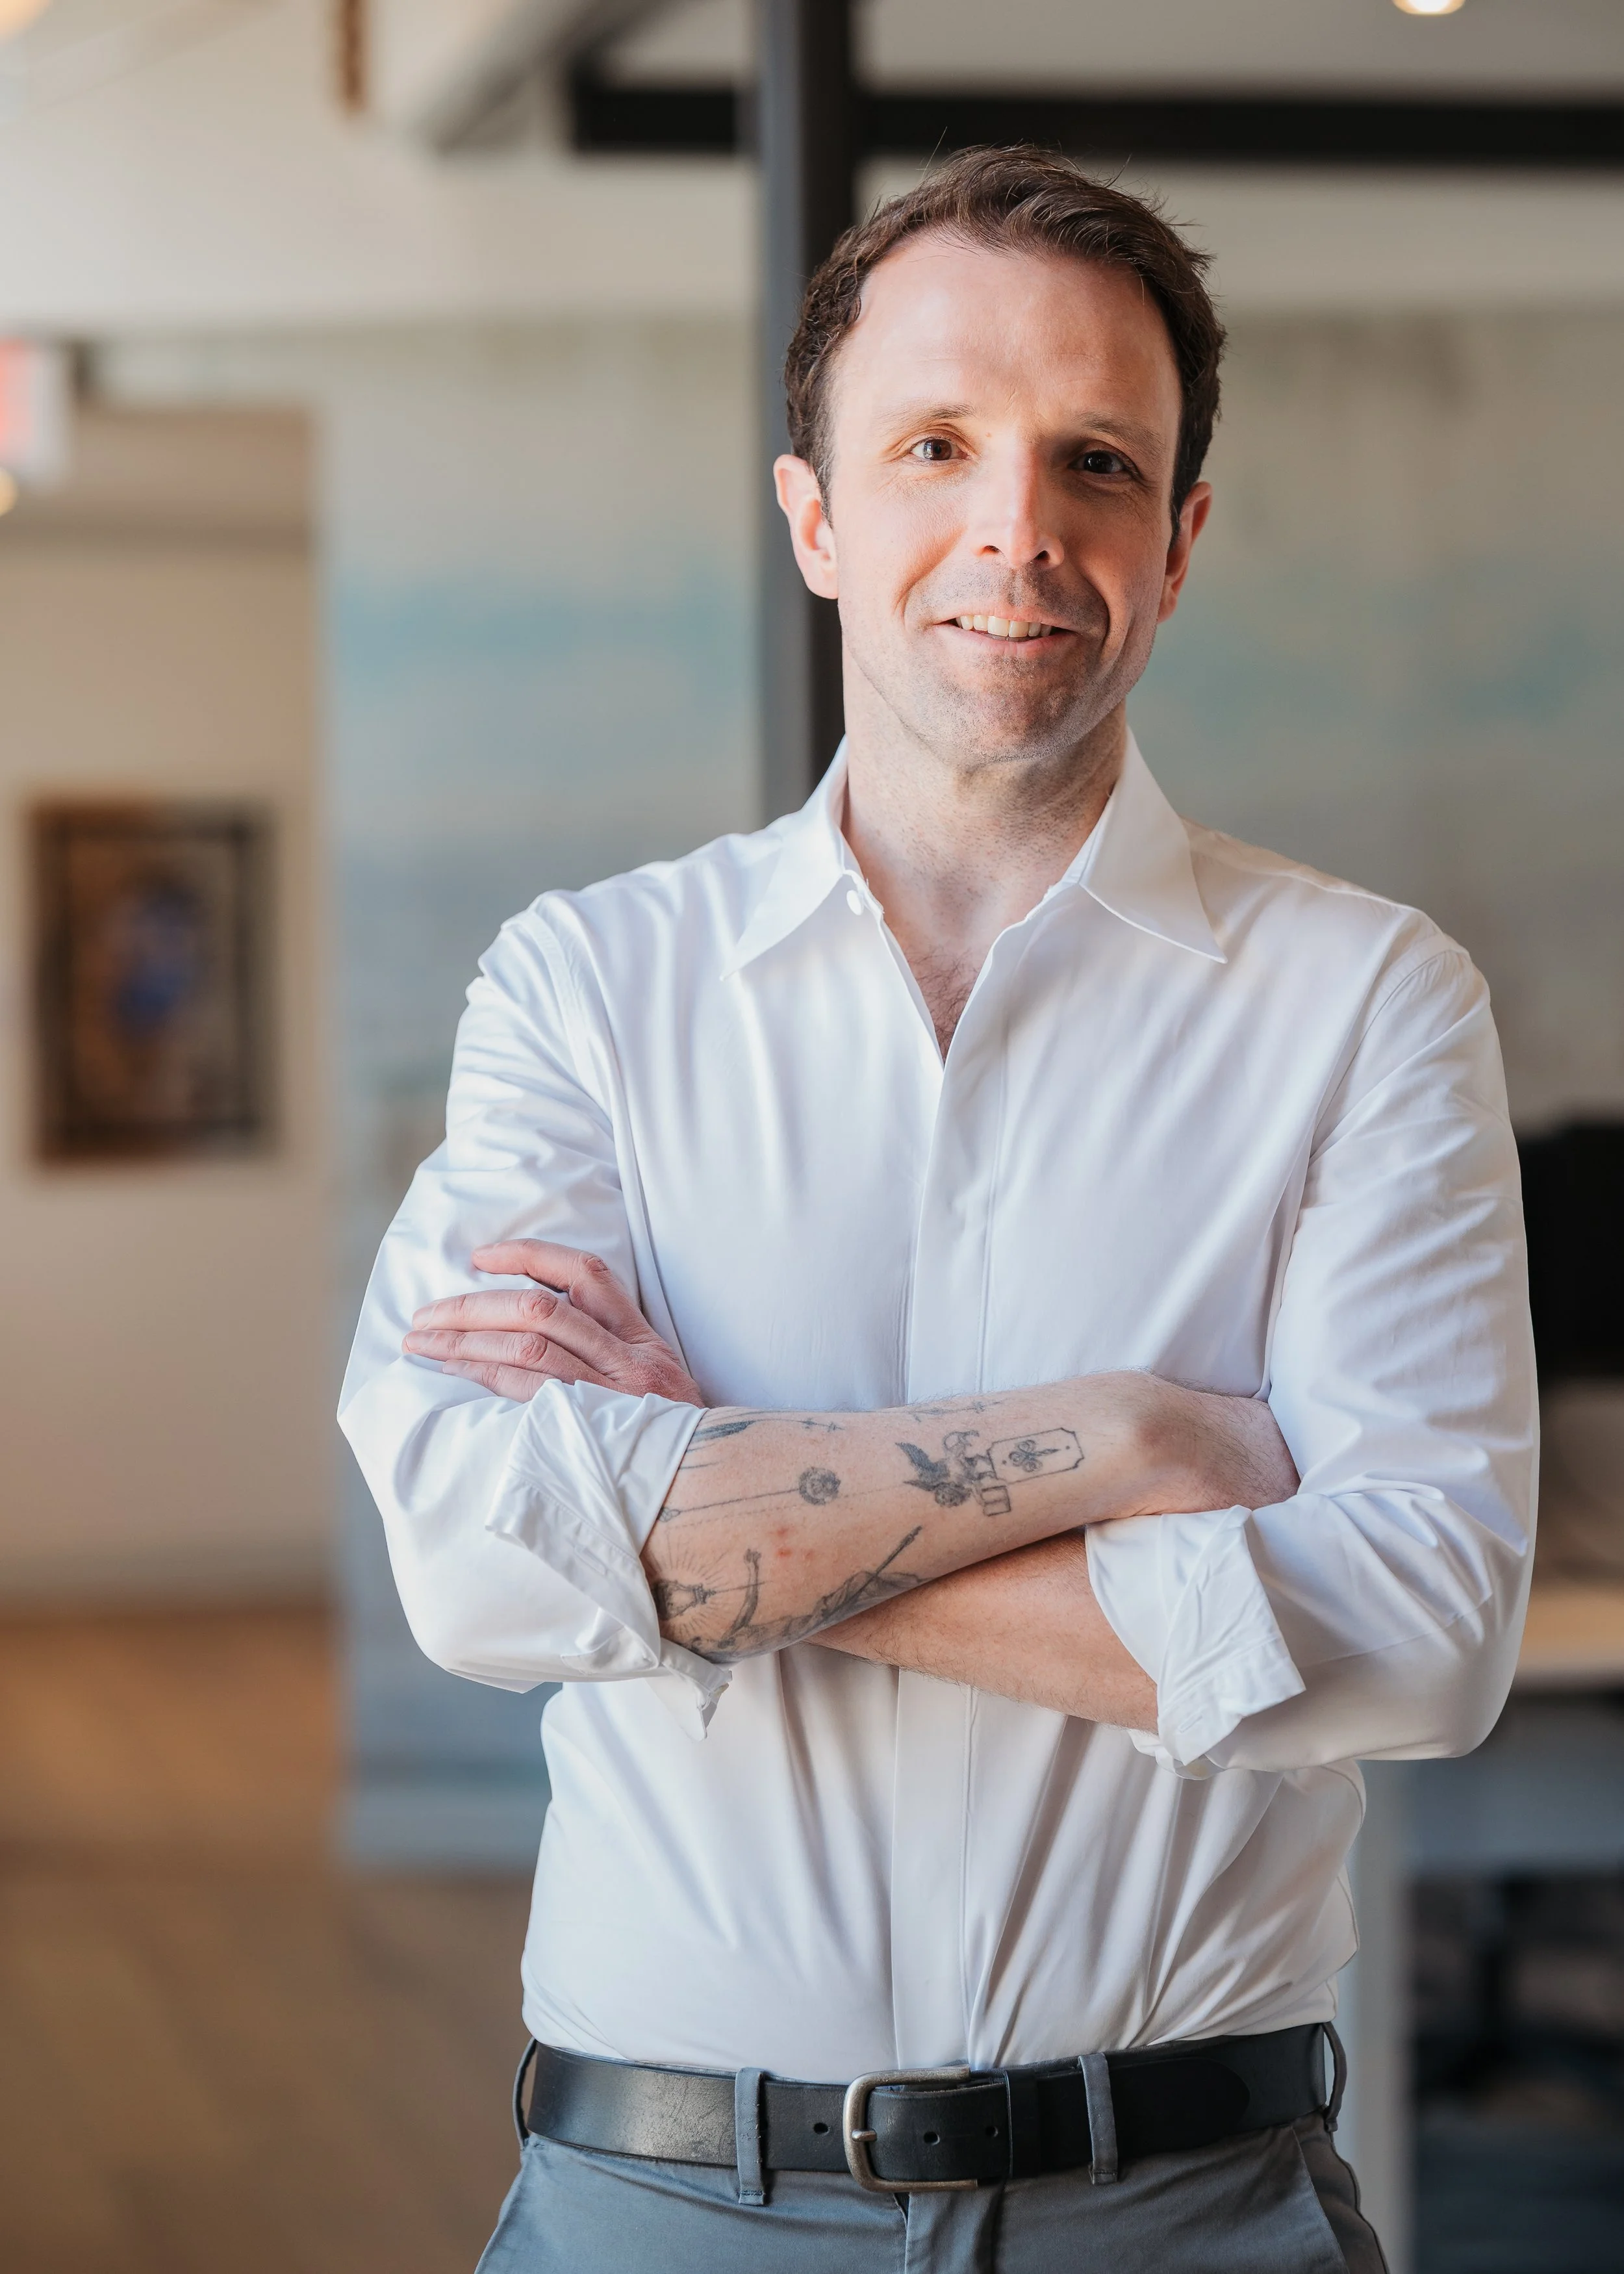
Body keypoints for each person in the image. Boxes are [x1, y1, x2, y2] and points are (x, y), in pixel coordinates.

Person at [340, 147, 1536, 2273]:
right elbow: (474, 1551)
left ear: (1176, 546)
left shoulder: (1365, 1002)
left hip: (1193, 2205)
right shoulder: (588, 986)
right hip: (660, 2207)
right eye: (932, 445)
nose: (1017, 526)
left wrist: (708, 1492)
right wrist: (1118, 1446)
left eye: (1096, 461)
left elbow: (1420, 1623)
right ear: (814, 514)